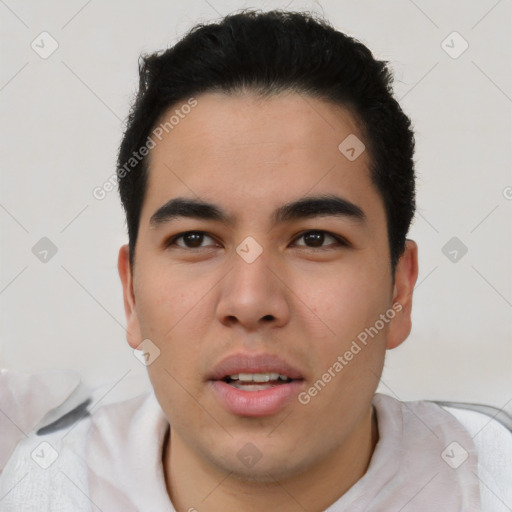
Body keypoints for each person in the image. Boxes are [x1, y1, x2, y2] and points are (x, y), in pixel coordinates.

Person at [1, 8, 510, 512]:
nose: (250, 301)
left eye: (314, 238)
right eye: (196, 239)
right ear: (131, 293)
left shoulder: (493, 477)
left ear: (399, 291)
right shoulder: (31, 482)